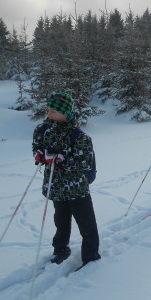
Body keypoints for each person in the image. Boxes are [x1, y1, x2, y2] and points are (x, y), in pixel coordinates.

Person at [32, 93, 101, 269]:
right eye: (49, 110)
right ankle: (60, 249)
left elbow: (83, 163)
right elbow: (37, 145)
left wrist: (61, 159)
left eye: (54, 110)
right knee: (61, 221)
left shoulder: (79, 136)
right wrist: (39, 155)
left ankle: (91, 256)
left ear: (65, 112)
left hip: (76, 187)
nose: (50, 113)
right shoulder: (43, 129)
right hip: (56, 186)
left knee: (86, 223)